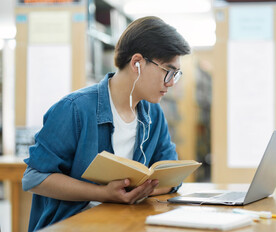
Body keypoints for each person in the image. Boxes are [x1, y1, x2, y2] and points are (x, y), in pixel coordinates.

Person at [22, 16, 191, 231]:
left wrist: (135, 193)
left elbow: (171, 177)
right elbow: (34, 178)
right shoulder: (74, 109)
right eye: (168, 71)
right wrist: (103, 194)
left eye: (176, 75)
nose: (171, 83)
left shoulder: (154, 114)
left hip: (124, 221)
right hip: (74, 224)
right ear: (137, 63)